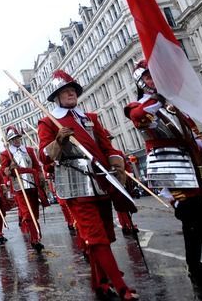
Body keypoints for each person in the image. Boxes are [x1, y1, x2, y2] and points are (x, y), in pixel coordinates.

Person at [126, 60, 202, 292]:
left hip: (192, 170)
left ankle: (197, 273)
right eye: (149, 77)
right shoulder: (141, 105)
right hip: (170, 171)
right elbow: (139, 116)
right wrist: (161, 97)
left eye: (157, 75)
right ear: (141, 82)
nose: (154, 80)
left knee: (194, 227)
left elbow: (193, 133)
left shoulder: (173, 105)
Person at [38, 70, 137, 300]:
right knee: (95, 236)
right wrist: (58, 141)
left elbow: (107, 146)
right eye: (65, 90)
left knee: (106, 236)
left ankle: (100, 284)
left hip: (101, 181)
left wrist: (116, 163)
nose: (71, 92)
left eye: (72, 89)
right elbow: (44, 156)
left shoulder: (89, 117)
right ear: (57, 97)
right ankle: (121, 287)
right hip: (76, 184)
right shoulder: (48, 121)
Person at [0, 126, 49, 252]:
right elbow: (3, 171)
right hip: (19, 186)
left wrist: (41, 177)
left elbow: (37, 166)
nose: (16, 141)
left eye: (17, 138)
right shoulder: (6, 153)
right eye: (13, 139)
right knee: (27, 213)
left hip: (33, 184)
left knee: (34, 212)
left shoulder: (29, 150)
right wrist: (10, 168)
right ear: (9, 141)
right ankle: (35, 238)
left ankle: (35, 236)